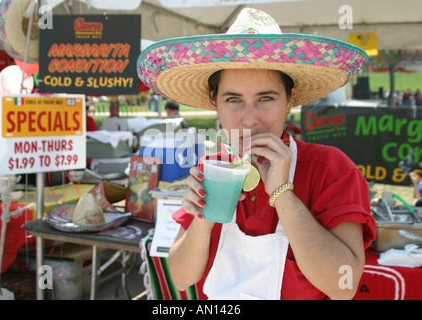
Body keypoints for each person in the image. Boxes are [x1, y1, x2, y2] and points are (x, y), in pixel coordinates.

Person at [137, 8, 375, 300]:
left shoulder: (331, 169)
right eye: (233, 99)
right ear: (215, 102)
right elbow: (181, 276)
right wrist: (203, 218)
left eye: (266, 98)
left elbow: (343, 287)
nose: (249, 119)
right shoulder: (212, 167)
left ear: (290, 99)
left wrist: (283, 194)